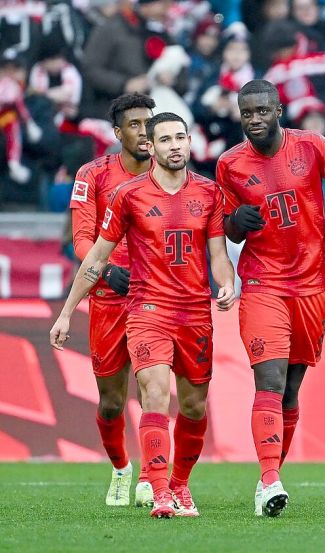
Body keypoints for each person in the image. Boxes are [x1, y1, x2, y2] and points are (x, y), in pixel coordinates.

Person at [50, 112, 237, 519]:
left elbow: (219, 255)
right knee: (154, 392)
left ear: (189, 143)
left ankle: (180, 485)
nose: (174, 145)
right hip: (147, 309)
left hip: (194, 313)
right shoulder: (128, 195)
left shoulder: (209, 194)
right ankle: (159, 491)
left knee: (194, 407)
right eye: (165, 139)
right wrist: (66, 312)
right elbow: (96, 258)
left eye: (180, 138)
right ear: (150, 147)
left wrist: (227, 283)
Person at [216, 79, 325, 517]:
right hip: (263, 283)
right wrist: (236, 223)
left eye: (262, 111)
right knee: (268, 381)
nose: (254, 119)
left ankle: (270, 479)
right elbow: (225, 225)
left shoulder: (313, 147)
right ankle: (269, 480)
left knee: (290, 390)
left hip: (311, 285)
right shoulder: (229, 164)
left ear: (279, 110)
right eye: (247, 113)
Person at [69, 93, 156, 507]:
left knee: (152, 388)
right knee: (112, 402)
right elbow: (82, 236)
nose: (144, 132)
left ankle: (153, 476)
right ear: (118, 132)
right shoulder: (93, 174)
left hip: (155, 298)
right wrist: (104, 269)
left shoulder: (170, 170)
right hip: (106, 297)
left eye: (148, 123)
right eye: (135, 125)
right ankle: (121, 468)